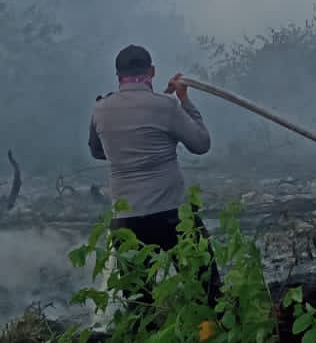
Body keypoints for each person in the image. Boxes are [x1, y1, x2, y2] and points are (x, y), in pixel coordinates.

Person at [87, 44, 221, 333]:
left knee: (140, 304)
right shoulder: (167, 105)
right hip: (174, 216)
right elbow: (201, 144)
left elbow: (98, 152)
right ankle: (210, 336)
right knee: (206, 289)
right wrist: (184, 100)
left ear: (118, 76)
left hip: (127, 222)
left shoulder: (100, 109)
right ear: (152, 72)